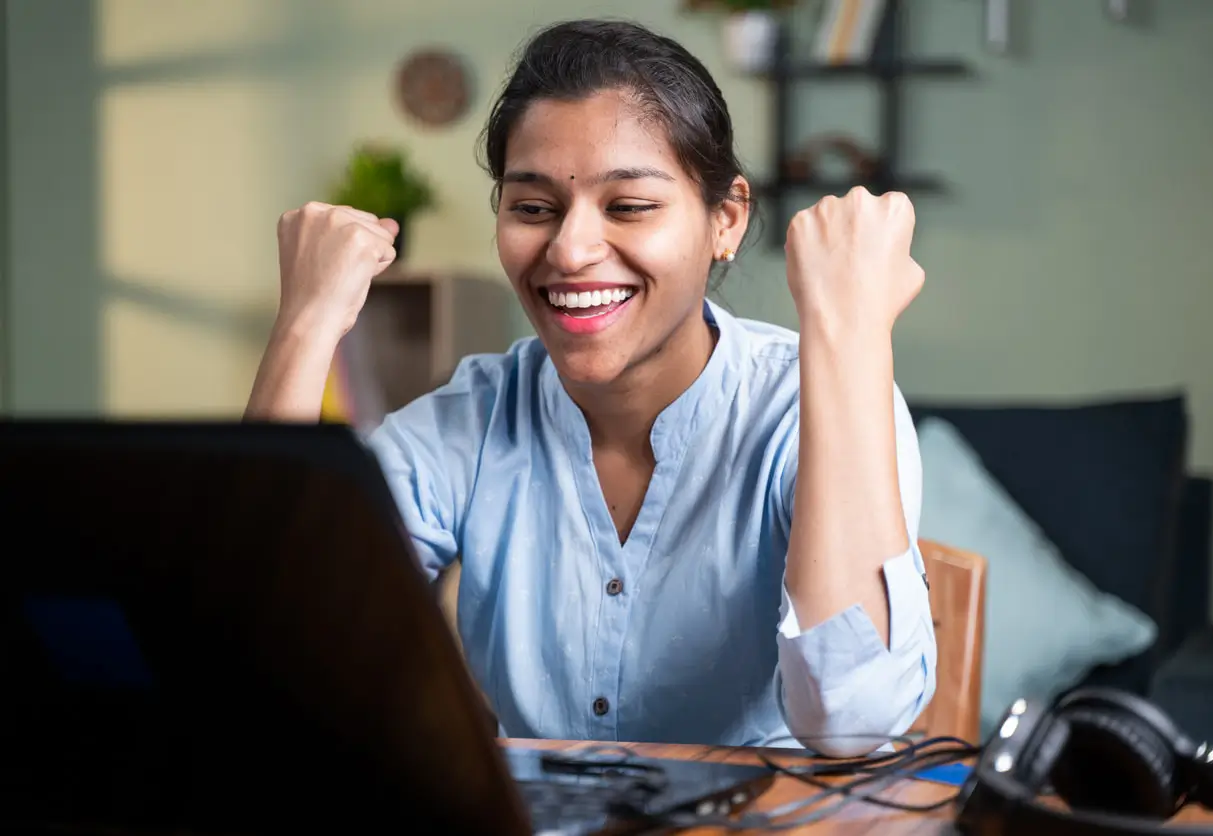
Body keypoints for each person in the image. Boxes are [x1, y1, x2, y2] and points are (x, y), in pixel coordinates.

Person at [246, 18, 935, 757]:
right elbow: (259, 650)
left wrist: (850, 331)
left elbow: (851, 721)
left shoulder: (814, 402)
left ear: (725, 219)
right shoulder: (467, 423)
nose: (570, 251)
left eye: (629, 206)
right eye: (533, 209)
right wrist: (306, 326)